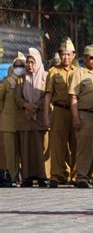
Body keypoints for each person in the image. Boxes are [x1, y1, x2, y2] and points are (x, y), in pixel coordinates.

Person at [68, 44, 93, 188]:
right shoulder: (78, 73)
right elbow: (73, 98)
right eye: (91, 58)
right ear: (85, 58)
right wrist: (75, 118)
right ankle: (82, 176)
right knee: (85, 148)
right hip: (85, 115)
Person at [43, 37, 78, 188]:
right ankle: (56, 175)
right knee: (57, 144)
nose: (66, 57)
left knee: (76, 143)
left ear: (74, 55)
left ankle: (76, 175)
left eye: (69, 54)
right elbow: (47, 95)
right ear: (59, 54)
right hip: (59, 109)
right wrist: (46, 116)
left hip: (75, 110)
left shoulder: (79, 72)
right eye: (63, 54)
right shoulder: (53, 71)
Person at [15, 48, 49, 187]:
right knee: (26, 149)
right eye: (28, 62)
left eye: (33, 62)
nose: (30, 65)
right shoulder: (21, 78)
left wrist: (36, 106)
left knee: (40, 148)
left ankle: (43, 176)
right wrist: (26, 105)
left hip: (40, 118)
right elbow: (16, 97)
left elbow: (47, 95)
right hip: (25, 118)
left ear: (38, 62)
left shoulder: (45, 76)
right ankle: (27, 177)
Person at [0, 52, 26, 187]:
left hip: (24, 123)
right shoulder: (6, 82)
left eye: (22, 65)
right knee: (10, 153)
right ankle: (12, 177)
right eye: (16, 65)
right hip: (8, 123)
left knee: (24, 152)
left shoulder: (28, 82)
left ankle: (25, 177)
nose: (19, 68)